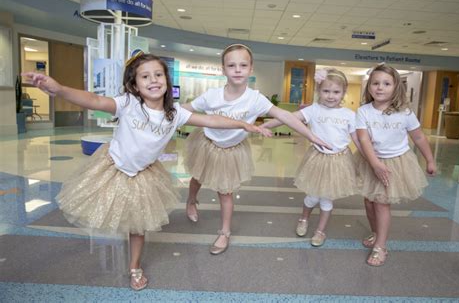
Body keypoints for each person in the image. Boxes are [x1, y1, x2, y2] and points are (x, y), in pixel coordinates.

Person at [22, 53, 271, 290]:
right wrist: (59, 89)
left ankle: (134, 267)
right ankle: (130, 260)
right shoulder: (128, 103)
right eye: (145, 76)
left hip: (144, 174)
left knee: (138, 225)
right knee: (118, 214)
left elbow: (212, 120)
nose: (153, 80)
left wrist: (242, 124)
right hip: (113, 167)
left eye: (158, 75)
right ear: (134, 84)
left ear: (166, 80)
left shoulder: (175, 114)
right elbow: (95, 100)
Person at [181, 43, 332, 255]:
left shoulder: (255, 99)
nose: (237, 69)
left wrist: (311, 135)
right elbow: (184, 110)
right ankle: (191, 199)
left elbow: (285, 116)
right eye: (231, 65)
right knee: (197, 176)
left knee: (225, 191)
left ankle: (224, 232)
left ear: (251, 69)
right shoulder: (211, 96)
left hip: (231, 150)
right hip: (207, 143)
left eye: (243, 65)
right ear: (223, 69)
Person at [262, 68, 363, 247]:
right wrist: (267, 125)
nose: (331, 96)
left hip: (339, 161)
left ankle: (320, 231)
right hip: (317, 159)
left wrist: (369, 157)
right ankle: (304, 218)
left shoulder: (349, 115)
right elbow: (288, 117)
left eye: (336, 92)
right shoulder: (313, 110)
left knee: (327, 198)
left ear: (343, 93)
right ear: (318, 91)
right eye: (326, 91)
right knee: (312, 196)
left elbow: (357, 139)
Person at [356, 63, 436, 267]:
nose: (380, 87)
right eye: (375, 83)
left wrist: (430, 159)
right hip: (371, 160)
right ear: (369, 87)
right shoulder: (364, 111)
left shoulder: (405, 112)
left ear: (396, 87)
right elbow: (363, 140)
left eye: (386, 83)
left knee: (382, 203)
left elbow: (418, 137)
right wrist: (374, 164)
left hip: (396, 162)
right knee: (369, 201)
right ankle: (376, 233)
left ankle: (380, 246)